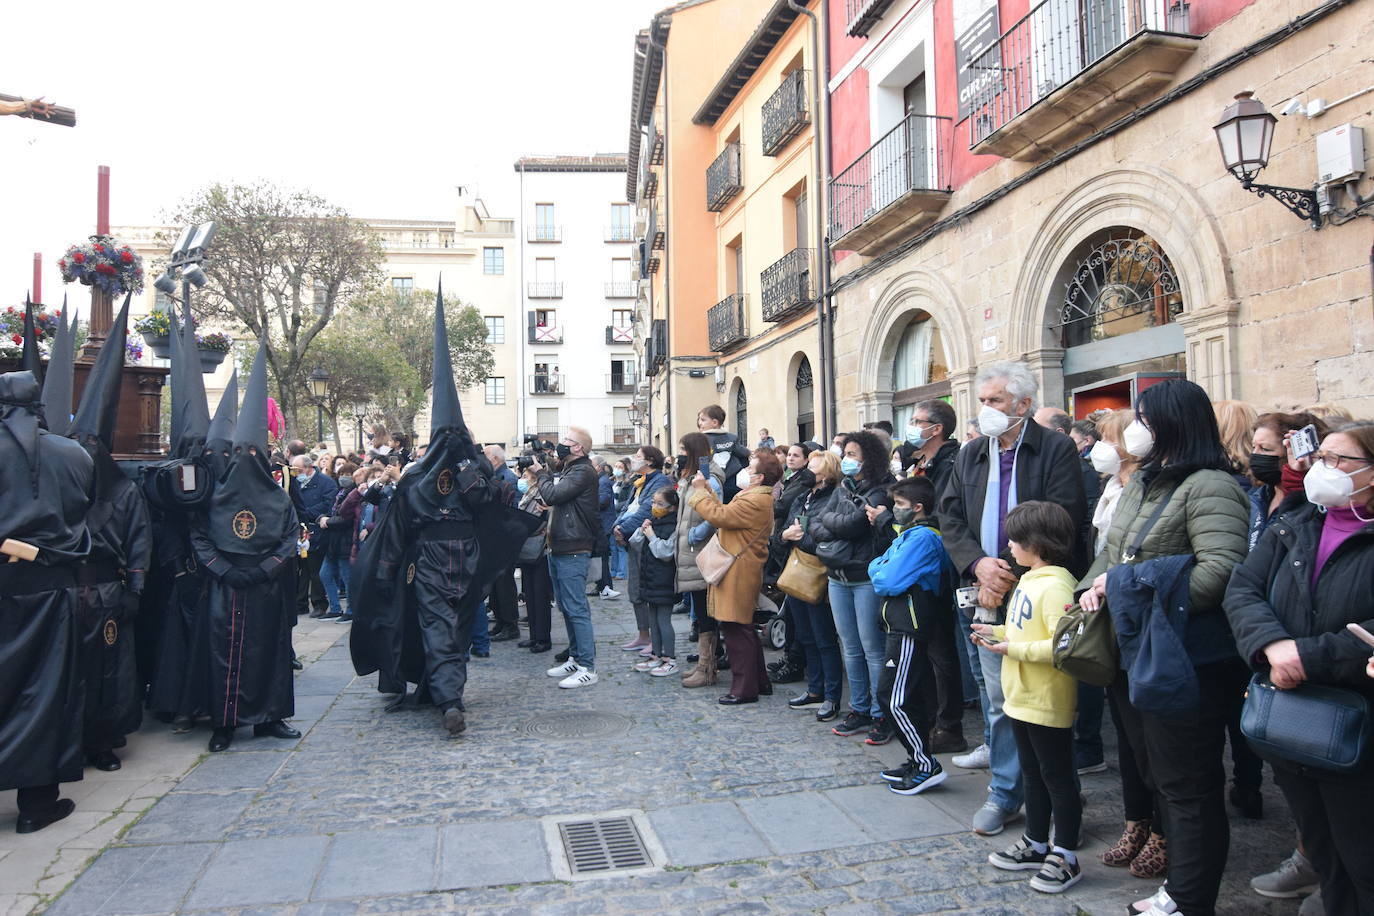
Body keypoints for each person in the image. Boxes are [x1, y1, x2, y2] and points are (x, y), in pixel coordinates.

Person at [1078, 378, 1249, 916]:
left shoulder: (1212, 486)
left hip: (1185, 656)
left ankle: (1188, 898)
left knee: (1189, 784)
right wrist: (1088, 590)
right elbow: (1114, 552)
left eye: (1146, 420)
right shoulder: (1144, 481)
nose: (1136, 430)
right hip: (1135, 647)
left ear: (1175, 424)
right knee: (1154, 772)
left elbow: (1221, 571)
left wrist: (1127, 592)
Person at [1225, 421, 1374, 916]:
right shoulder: (1298, 521)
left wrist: (1305, 656)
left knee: (1362, 854)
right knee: (1323, 847)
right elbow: (1243, 588)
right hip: (1290, 712)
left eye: (1337, 460)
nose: (1319, 469)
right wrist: (1270, 645)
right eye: (1320, 457)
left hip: (1356, 717)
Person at [938, 361, 1087, 837]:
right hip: (981, 587)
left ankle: (1056, 796)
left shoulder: (1056, 449)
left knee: (1040, 700)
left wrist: (1005, 569)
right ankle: (1006, 793)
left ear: (1023, 404)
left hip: (1035, 592)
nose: (985, 411)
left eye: (994, 401)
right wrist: (979, 565)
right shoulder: (971, 453)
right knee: (997, 697)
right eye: (982, 402)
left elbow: (1062, 518)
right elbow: (951, 515)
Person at [190, 342, 301, 753]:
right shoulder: (215, 496)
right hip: (226, 584)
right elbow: (200, 535)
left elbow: (290, 539)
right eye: (241, 451)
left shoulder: (279, 498)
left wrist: (266, 567)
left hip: (265, 584)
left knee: (269, 652)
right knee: (224, 653)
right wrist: (221, 568)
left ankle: (269, 718)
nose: (245, 457)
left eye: (252, 451)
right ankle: (224, 722)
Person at [0, 369, 94, 833]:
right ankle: (36, 803)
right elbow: (82, 510)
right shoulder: (71, 454)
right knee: (46, 688)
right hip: (50, 585)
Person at [975, 501, 1084, 895]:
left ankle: (1067, 853)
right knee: (1033, 773)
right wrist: (999, 635)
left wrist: (1013, 649)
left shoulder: (1056, 585)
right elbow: (1025, 631)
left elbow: (1062, 645)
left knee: (1057, 777)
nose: (1009, 545)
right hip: (1020, 696)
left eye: (1015, 538)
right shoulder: (1030, 579)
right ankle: (1037, 841)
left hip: (1045, 697)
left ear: (1036, 542)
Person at [67, 303, 153, 771]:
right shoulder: (59, 491)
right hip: (65, 593)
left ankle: (102, 741)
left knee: (108, 671)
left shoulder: (123, 492)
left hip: (106, 591)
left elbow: (139, 541)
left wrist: (135, 588)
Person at [804, 429, 896, 743]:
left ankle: (881, 711)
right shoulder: (843, 487)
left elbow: (854, 525)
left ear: (868, 458)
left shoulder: (882, 491)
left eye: (853, 454)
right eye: (846, 454)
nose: (846, 459)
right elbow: (817, 522)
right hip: (837, 577)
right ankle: (859, 708)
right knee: (851, 648)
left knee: (872, 649)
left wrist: (831, 526)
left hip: (864, 577)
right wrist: (833, 526)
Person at [870, 476, 956, 796]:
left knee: (893, 698)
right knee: (908, 696)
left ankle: (924, 763)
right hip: (900, 623)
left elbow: (886, 579)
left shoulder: (922, 538)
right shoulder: (908, 535)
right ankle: (916, 758)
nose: (895, 510)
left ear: (918, 508)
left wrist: (881, 568)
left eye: (901, 505)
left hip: (910, 624)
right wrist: (881, 567)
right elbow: (879, 566)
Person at [895, 399, 968, 753]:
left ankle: (949, 724)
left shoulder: (951, 463)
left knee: (942, 652)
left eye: (917, 420)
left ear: (936, 429)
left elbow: (943, 514)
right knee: (926, 650)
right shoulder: (919, 462)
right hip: (917, 566)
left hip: (938, 566)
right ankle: (929, 717)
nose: (911, 426)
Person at [688, 450, 781, 704]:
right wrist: (707, 489)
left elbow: (721, 517)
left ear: (760, 477)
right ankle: (758, 682)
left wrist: (698, 493)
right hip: (739, 567)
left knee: (736, 628)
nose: (745, 472)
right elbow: (724, 511)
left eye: (750, 469)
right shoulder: (754, 496)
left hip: (738, 569)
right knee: (742, 627)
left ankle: (744, 688)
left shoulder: (755, 500)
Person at [535, 426, 602, 688]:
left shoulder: (583, 471)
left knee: (576, 608)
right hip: (560, 545)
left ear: (578, 448)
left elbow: (552, 494)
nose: (561, 443)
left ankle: (588, 666)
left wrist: (540, 473)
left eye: (566, 440)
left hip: (574, 547)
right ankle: (575, 657)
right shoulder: (570, 469)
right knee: (566, 606)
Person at [780, 449, 845, 720]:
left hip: (819, 572)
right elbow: (785, 528)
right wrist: (785, 535)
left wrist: (798, 537)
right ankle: (815, 689)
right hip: (797, 570)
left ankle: (831, 696)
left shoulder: (834, 497)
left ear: (827, 473)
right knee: (805, 635)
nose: (808, 471)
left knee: (824, 637)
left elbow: (826, 537)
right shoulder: (803, 496)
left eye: (814, 468)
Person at [768, 442, 821, 689]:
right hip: (787, 547)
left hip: (803, 557)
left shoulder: (801, 483)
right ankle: (792, 658)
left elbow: (782, 508)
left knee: (801, 621)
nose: (790, 458)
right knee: (792, 614)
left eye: (795, 455)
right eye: (788, 454)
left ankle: (797, 662)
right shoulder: (795, 482)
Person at [674, 433, 723, 688]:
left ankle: (707, 667)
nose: (679, 453)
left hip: (701, 552)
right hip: (690, 552)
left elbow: (715, 513)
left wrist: (694, 534)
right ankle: (703, 664)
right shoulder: (692, 477)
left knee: (706, 613)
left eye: (683, 449)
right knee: (700, 610)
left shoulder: (709, 478)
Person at [613, 447, 672, 656]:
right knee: (635, 590)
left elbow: (646, 511)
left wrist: (622, 529)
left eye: (638, 456)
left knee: (646, 590)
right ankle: (643, 634)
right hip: (634, 540)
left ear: (650, 460)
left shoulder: (659, 482)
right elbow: (626, 508)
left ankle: (655, 640)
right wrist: (617, 526)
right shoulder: (639, 482)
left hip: (647, 541)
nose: (634, 460)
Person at [1248, 411, 1325, 550]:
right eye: (1254, 447)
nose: (1255, 455)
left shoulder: (1315, 502)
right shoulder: (1258, 496)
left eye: (1265, 449)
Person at [630, 487, 680, 676]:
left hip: (664, 581)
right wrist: (643, 530)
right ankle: (656, 655)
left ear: (672, 507)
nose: (655, 507)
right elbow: (635, 543)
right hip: (650, 579)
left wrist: (651, 535)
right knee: (652, 619)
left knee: (663, 620)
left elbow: (665, 553)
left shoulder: (674, 526)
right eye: (653, 502)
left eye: (660, 504)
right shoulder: (654, 522)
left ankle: (670, 658)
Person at [482, 444, 522, 642]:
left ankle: (510, 624)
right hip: (495, 537)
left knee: (505, 584)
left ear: (496, 459)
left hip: (505, 539)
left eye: (487, 456)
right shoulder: (495, 476)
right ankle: (500, 621)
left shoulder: (507, 478)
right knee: (496, 584)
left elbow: (512, 511)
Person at [290, 453, 337, 618]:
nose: (296, 473)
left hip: (316, 530)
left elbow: (328, 504)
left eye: (299, 470)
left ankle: (319, 603)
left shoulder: (326, 483)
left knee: (314, 569)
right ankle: (300, 602)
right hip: (298, 530)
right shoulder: (294, 482)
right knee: (300, 569)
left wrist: (304, 513)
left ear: (309, 468)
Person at [514, 467, 553, 654]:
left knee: (540, 596)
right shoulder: (529, 493)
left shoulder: (541, 493)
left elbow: (537, 519)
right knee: (529, 593)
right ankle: (534, 636)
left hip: (540, 548)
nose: (522, 478)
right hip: (528, 547)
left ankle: (543, 638)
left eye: (525, 475)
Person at [317, 464, 362, 622]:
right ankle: (335, 608)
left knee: (347, 577)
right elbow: (333, 511)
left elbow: (346, 518)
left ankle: (350, 610)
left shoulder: (355, 495)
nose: (344, 477)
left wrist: (327, 521)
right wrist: (322, 517)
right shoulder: (340, 492)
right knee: (325, 574)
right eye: (342, 473)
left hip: (346, 541)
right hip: (333, 542)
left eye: (349, 474)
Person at [698, 404, 752, 501]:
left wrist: (705, 478)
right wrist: (748, 452)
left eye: (703, 420)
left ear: (714, 422)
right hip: (732, 479)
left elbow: (703, 460)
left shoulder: (702, 439)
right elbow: (742, 452)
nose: (699, 423)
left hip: (713, 480)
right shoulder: (731, 437)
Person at [589, 456, 621, 599]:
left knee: (602, 556)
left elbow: (604, 500)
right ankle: (601, 585)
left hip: (604, 524)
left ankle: (605, 586)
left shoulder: (603, 482)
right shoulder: (599, 480)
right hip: (601, 524)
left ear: (598, 467)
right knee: (598, 556)